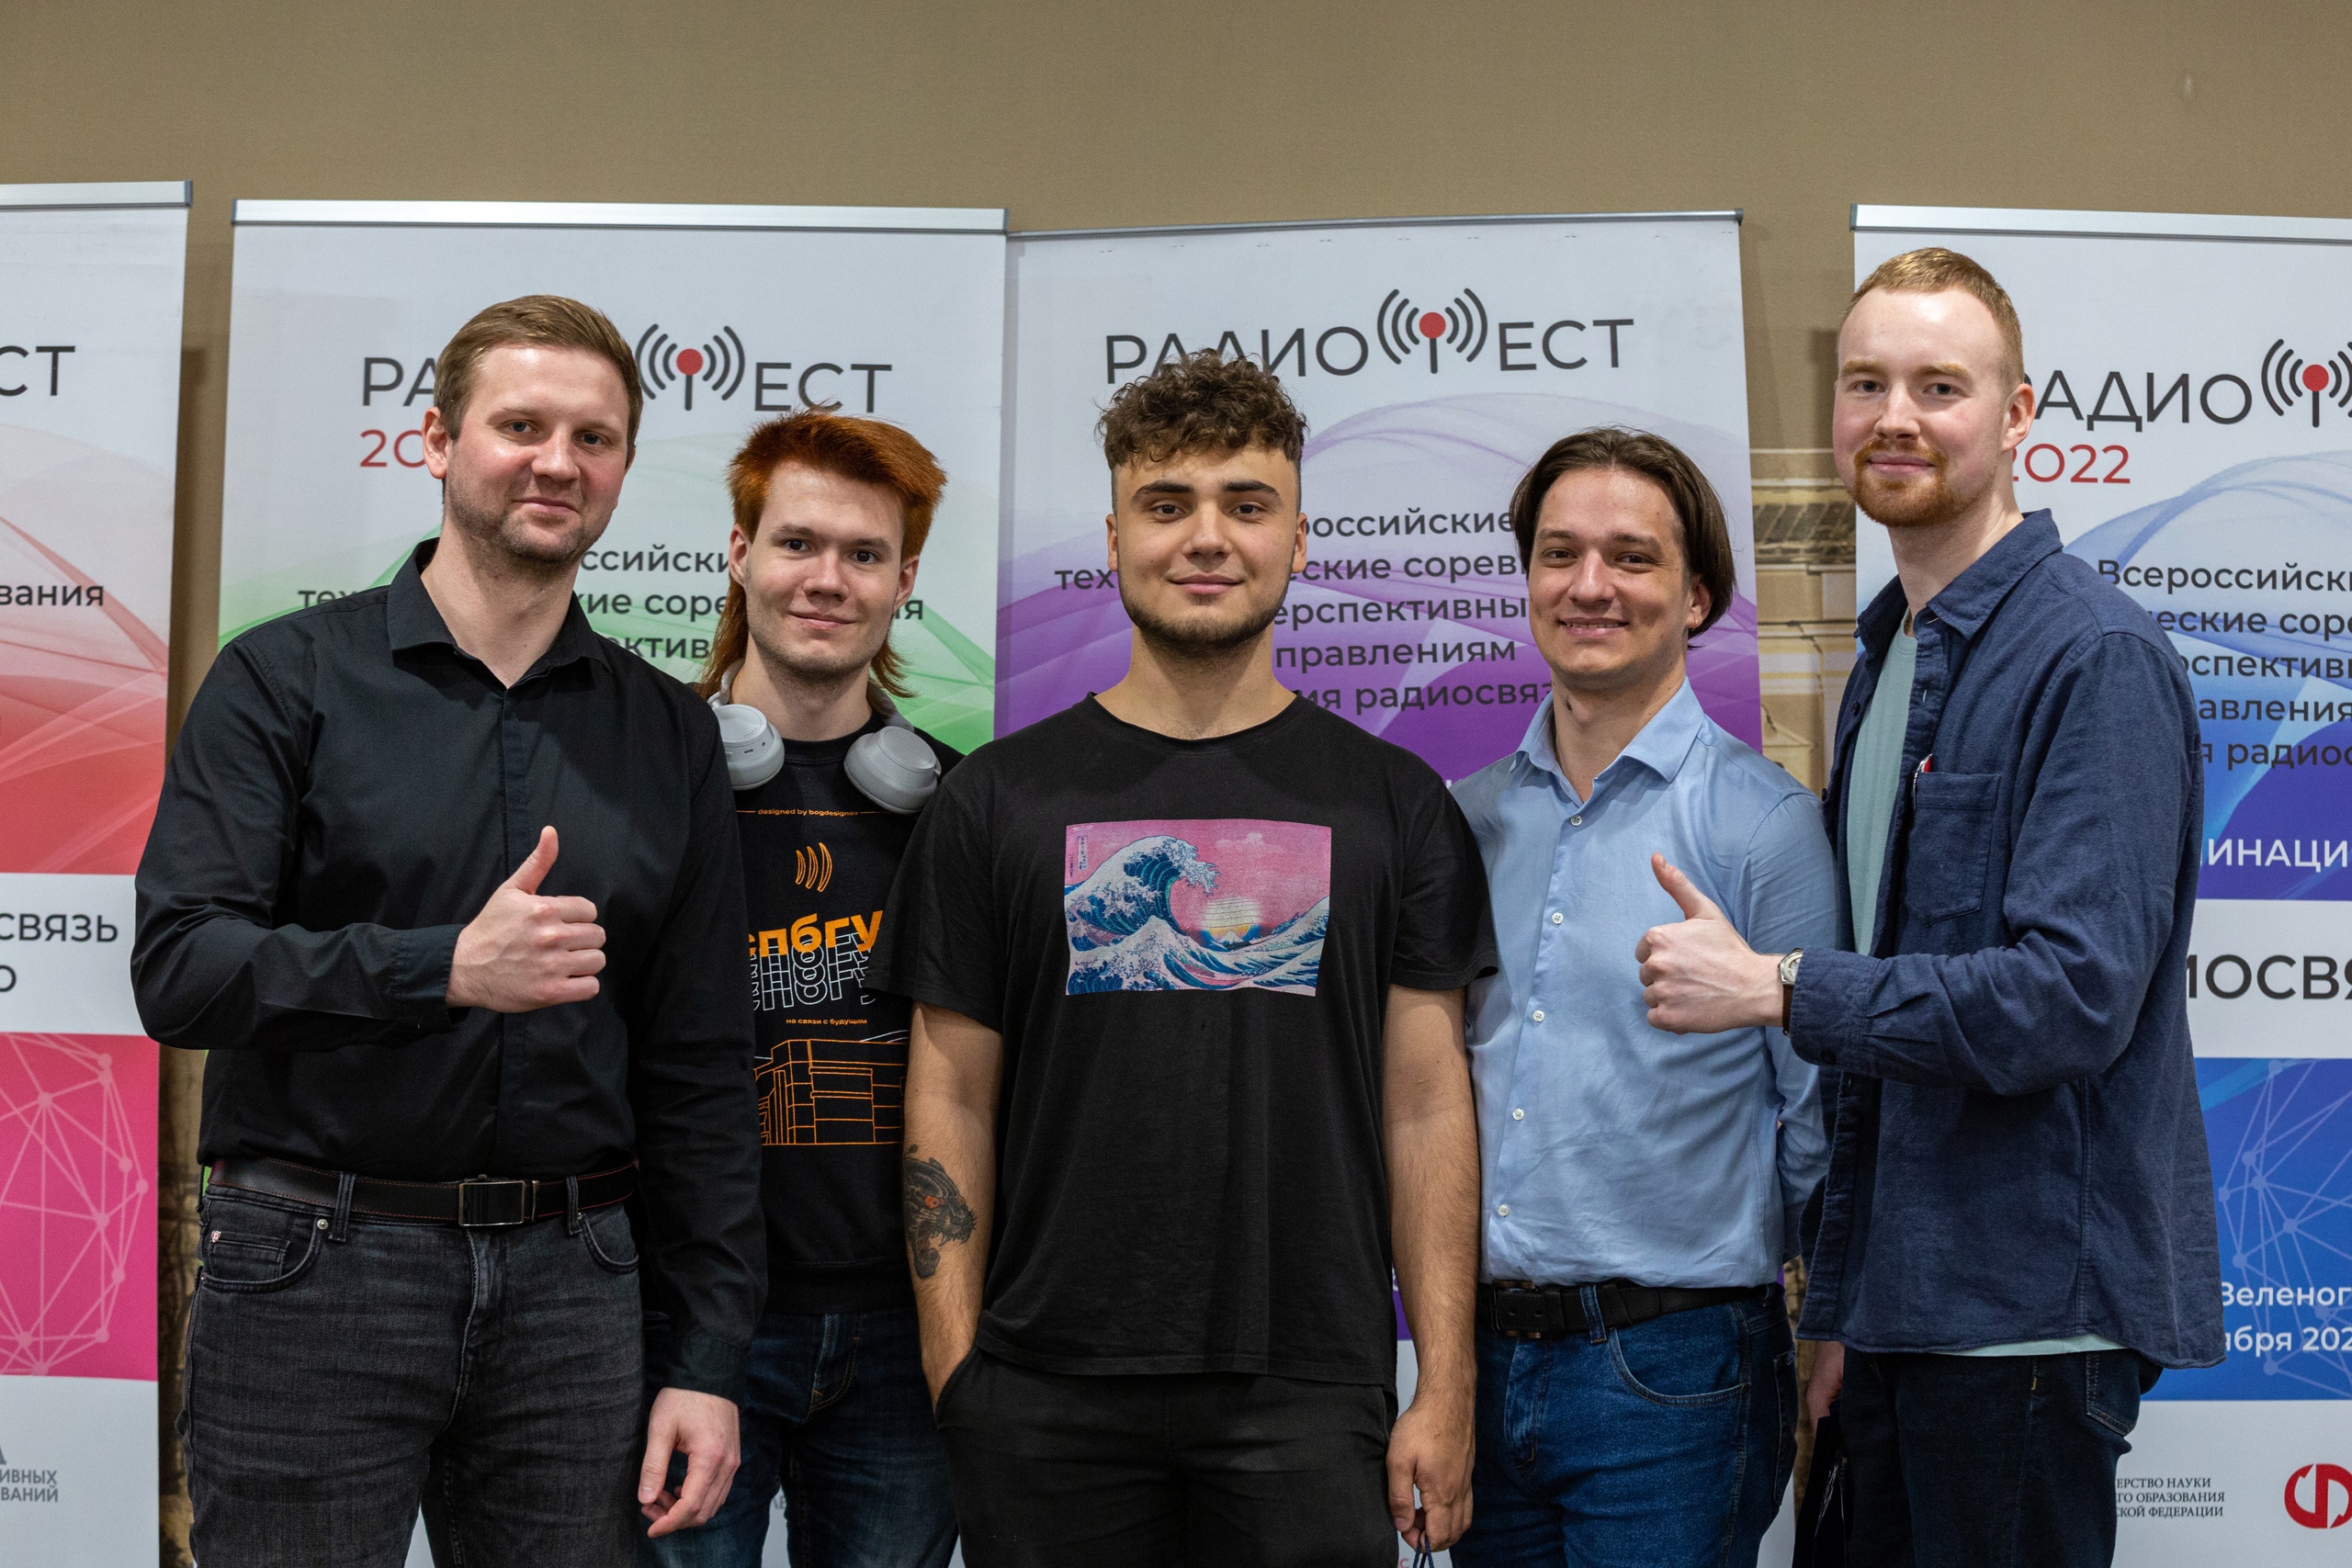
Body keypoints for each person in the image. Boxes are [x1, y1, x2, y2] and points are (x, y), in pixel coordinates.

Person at [134, 296, 763, 1568]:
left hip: (578, 1286)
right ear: (434, 441)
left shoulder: (667, 732)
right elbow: (182, 967)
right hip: (315, 1270)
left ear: (624, 468)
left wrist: (705, 1357)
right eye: (520, 425)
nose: (557, 461)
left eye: (594, 437)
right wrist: (444, 968)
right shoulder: (283, 679)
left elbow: (700, 1066)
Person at [1635, 248, 2222, 1568]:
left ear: (2016, 416)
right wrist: (1844, 1298)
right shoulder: (1892, 649)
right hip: (1901, 1314)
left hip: (2024, 1323)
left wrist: (1779, 987)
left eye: (1938, 386)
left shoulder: (2093, 656)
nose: (1893, 416)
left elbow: (2069, 997)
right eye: (1865, 383)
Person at [869, 349, 1494, 1565]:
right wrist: (959, 1373)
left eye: (1246, 504)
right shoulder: (994, 799)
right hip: (1043, 1394)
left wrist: (1447, 1384)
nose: (1207, 537)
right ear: (1114, 541)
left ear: (1298, 540)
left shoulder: (1395, 803)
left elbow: (1425, 1106)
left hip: (1309, 1392)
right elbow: (950, 1094)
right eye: (1167, 504)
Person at [1448, 428, 1833, 1566]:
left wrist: (1814, 1307)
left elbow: (1820, 1110)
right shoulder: (1462, 823)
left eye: (1630, 557)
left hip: (1674, 1372)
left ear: (1697, 596)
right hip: (1476, 1361)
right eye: (1559, 553)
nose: (1589, 586)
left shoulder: (1763, 825)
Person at [638, 409, 962, 1568]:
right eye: (796, 543)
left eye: (864, 554)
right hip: (681, 1330)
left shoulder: (960, 810)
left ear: (903, 581)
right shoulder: (644, 788)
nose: (827, 580)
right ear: (740, 554)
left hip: (905, 1337)